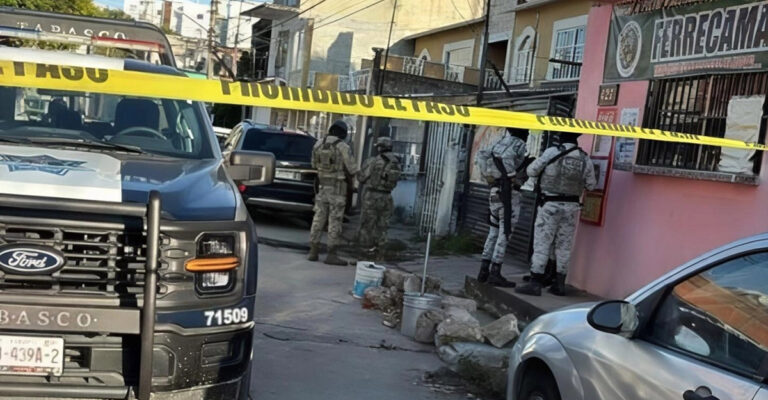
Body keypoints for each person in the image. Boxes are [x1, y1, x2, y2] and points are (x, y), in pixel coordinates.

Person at [516, 131, 596, 296]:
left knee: (542, 242)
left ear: (560, 138)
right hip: (572, 206)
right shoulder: (584, 158)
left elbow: (531, 171)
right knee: (564, 245)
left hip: (550, 205)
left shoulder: (552, 152)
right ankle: (559, 284)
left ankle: (535, 282)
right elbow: (591, 185)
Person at [474, 127, 529, 287]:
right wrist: (511, 176)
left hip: (494, 192)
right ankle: (495, 272)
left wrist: (487, 176)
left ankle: (483, 270)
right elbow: (506, 157)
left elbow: (481, 155)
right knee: (504, 234)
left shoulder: (499, 142)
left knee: (493, 232)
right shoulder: (518, 143)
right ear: (523, 133)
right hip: (508, 194)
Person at [308, 120, 359, 265]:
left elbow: (313, 165)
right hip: (337, 190)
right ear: (343, 133)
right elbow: (352, 169)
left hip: (322, 187)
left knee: (318, 218)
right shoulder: (343, 146)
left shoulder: (318, 144)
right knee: (335, 221)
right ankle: (331, 254)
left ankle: (313, 251)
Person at [357, 136, 402, 258]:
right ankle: (380, 255)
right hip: (387, 197)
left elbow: (361, 178)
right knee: (382, 227)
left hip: (372, 197)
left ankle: (364, 255)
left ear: (380, 147)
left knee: (367, 226)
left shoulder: (373, 161)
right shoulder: (396, 162)